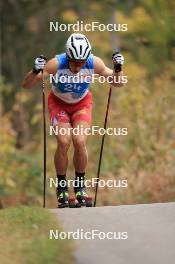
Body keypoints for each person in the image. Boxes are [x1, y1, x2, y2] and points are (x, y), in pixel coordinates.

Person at [22, 33, 124, 207]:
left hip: (81, 104)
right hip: (58, 103)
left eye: (81, 62)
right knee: (63, 141)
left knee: (79, 140)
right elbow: (27, 85)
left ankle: (79, 187)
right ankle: (62, 188)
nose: (78, 67)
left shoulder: (94, 63)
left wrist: (118, 68)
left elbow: (118, 83)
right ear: (67, 57)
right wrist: (35, 70)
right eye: (74, 62)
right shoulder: (56, 64)